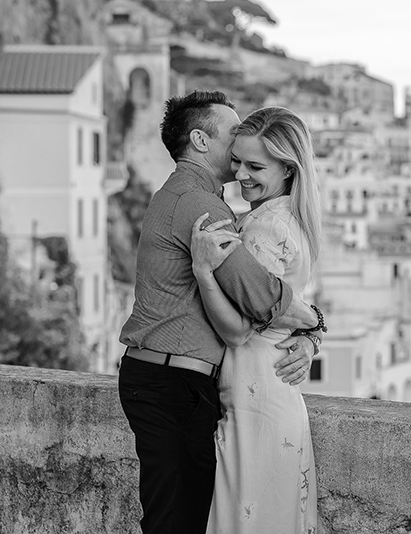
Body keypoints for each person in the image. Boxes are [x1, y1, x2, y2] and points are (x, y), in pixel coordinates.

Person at [117, 91, 325, 534]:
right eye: (233, 134)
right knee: (179, 520)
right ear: (200, 140)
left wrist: (310, 330)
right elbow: (262, 296)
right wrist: (315, 323)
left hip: (174, 380)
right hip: (175, 382)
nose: (237, 154)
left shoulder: (187, 197)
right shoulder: (203, 207)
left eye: (254, 162)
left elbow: (264, 298)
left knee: (182, 517)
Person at [189, 106, 323, 534]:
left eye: (255, 165)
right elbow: (296, 310)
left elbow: (237, 328)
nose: (241, 174)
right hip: (271, 391)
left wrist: (205, 273)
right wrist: (313, 333)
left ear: (288, 169)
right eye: (237, 161)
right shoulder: (288, 220)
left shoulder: (264, 228)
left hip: (255, 393)